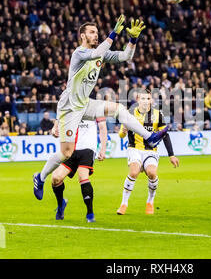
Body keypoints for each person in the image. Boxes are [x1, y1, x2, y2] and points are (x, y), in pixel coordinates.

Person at [33, 16, 168, 215]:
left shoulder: (100, 54)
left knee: (119, 109)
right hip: (70, 106)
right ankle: (41, 177)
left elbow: (126, 57)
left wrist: (133, 40)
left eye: (97, 32)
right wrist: (113, 34)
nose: (95, 35)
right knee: (67, 152)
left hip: (85, 104)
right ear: (82, 36)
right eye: (92, 32)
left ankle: (150, 137)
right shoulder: (79, 52)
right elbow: (96, 52)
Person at [116, 89, 179, 215]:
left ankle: (150, 201)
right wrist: (122, 132)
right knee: (134, 172)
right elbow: (122, 134)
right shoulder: (130, 113)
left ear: (151, 100)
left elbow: (165, 135)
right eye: (143, 98)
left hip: (150, 151)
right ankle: (124, 204)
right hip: (134, 149)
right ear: (138, 99)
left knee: (151, 173)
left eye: (148, 99)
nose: (145, 101)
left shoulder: (158, 114)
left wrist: (171, 155)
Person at [33, 117, 107, 223]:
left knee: (83, 176)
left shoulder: (96, 106)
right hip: (70, 149)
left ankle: (90, 214)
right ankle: (60, 205)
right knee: (55, 178)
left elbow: (103, 127)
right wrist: (55, 127)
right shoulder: (71, 104)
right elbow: (61, 116)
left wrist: (103, 148)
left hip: (87, 148)